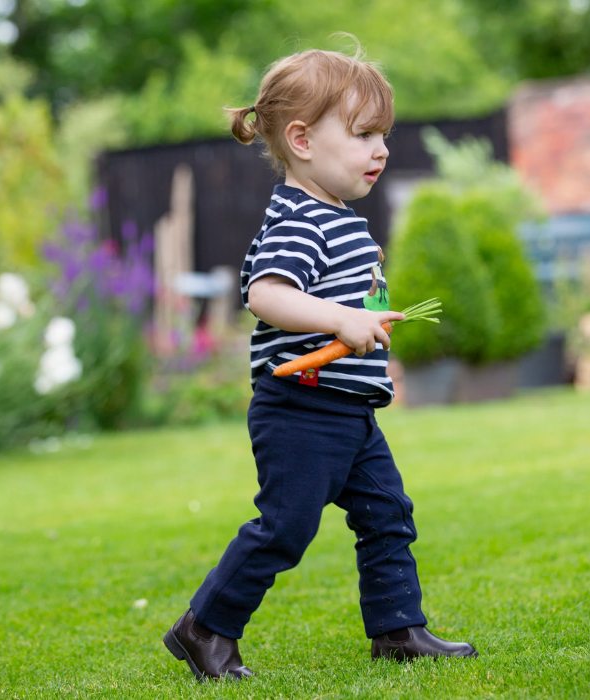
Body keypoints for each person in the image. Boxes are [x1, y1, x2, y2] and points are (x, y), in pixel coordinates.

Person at [163, 44, 478, 682]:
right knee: (286, 527)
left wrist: (367, 320)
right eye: (364, 134)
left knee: (388, 513)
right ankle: (204, 628)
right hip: (301, 409)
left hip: (348, 412)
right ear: (302, 139)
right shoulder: (298, 218)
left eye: (383, 135)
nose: (381, 149)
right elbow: (265, 294)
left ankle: (398, 629)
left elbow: (344, 304)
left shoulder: (341, 219)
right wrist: (339, 319)